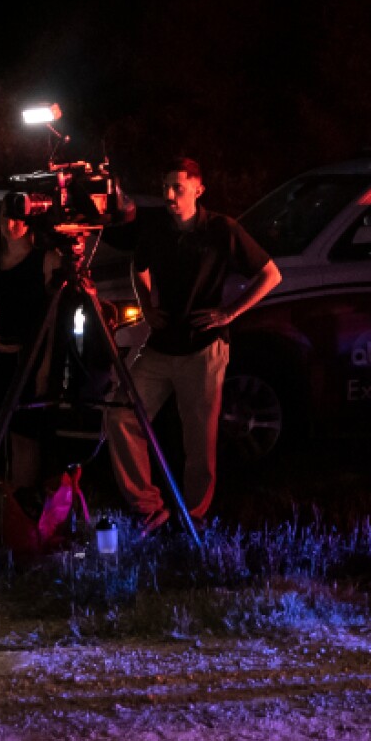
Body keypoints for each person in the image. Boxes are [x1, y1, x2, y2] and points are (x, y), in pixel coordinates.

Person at [107, 157, 282, 530]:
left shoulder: (221, 229)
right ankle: (148, 507)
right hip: (161, 345)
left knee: (199, 441)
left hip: (203, 348)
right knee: (121, 413)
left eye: (178, 188)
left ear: (198, 189)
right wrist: (146, 305)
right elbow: (138, 267)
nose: (169, 195)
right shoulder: (156, 227)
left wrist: (230, 313)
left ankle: (194, 517)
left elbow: (271, 274)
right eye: (166, 186)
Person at [0, 201, 58, 507]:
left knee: (23, 437)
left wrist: (44, 367)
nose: (10, 225)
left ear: (30, 222)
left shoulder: (46, 260)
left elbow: (53, 321)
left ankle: (21, 509)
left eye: (18, 219)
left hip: (28, 354)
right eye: (6, 217)